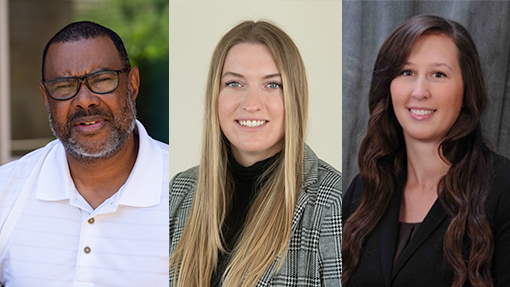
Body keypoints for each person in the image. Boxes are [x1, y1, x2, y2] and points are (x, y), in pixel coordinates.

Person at [169, 20, 341, 287]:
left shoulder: (333, 203)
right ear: (215, 94)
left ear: (294, 97)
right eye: (235, 83)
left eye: (272, 85)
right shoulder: (178, 193)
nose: (251, 104)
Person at [342, 14, 510, 287]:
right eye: (407, 72)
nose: (419, 91)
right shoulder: (365, 188)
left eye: (438, 74)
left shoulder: (503, 189)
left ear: (467, 89)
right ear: (389, 86)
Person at [0, 21, 169, 286]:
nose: (84, 100)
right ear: (46, 97)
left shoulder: (191, 191)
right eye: (64, 86)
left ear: (132, 84)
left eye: (101, 80)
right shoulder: (6, 190)